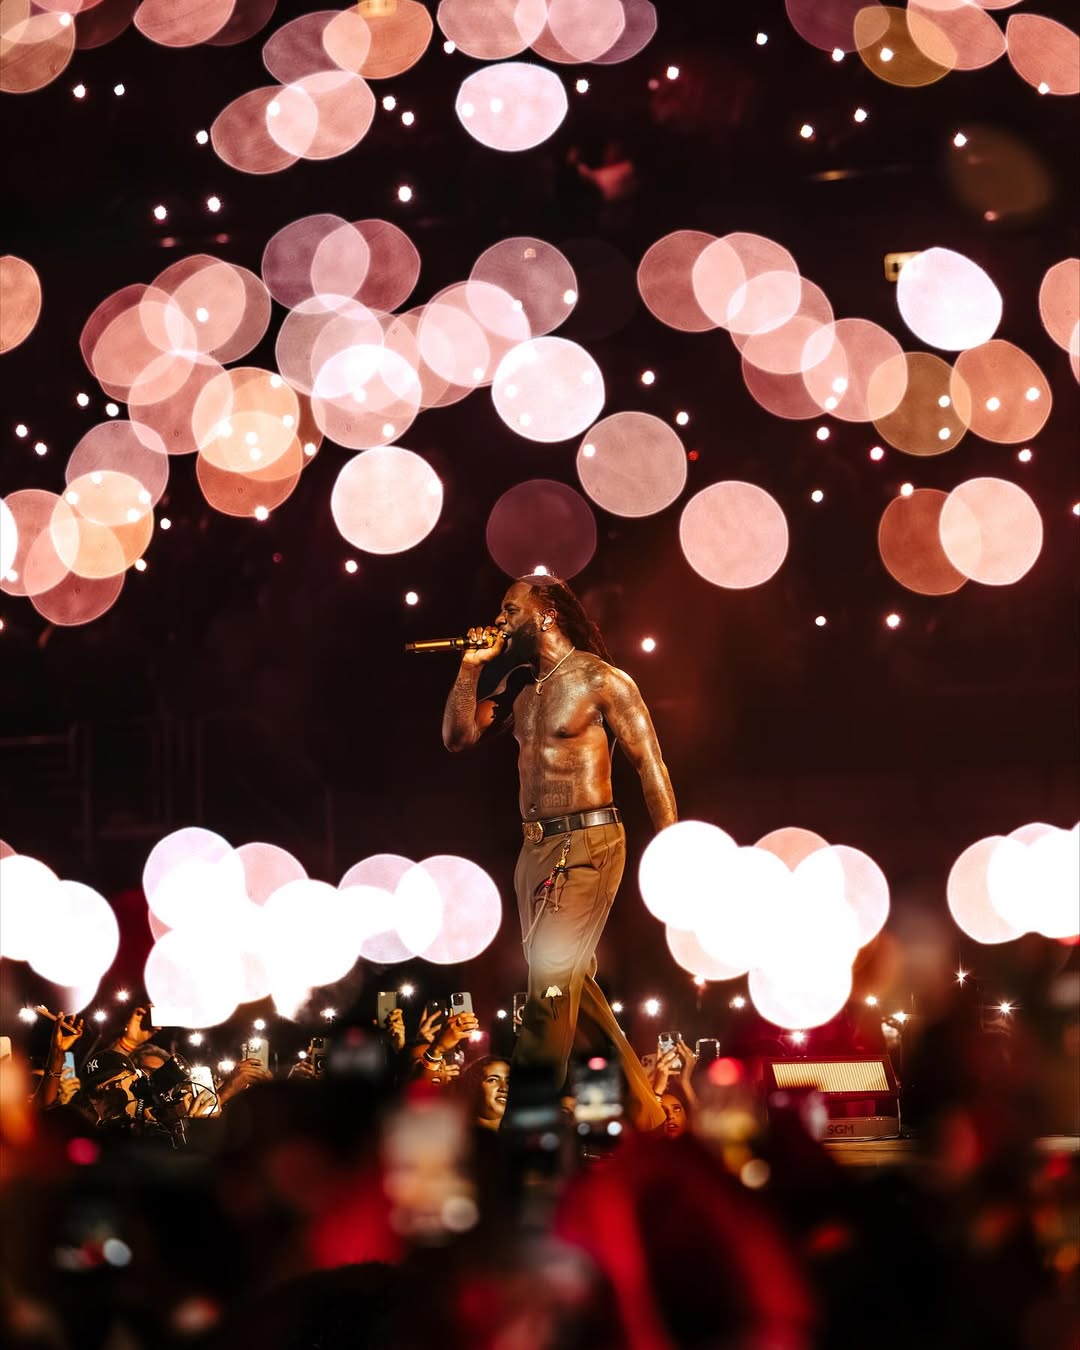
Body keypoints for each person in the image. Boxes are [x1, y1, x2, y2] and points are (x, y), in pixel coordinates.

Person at [442, 572, 677, 1130]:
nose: (499, 619)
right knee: (568, 979)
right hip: (536, 851)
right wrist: (472, 666)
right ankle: (647, 1113)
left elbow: (650, 764)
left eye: (509, 609)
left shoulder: (602, 679)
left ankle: (526, 1124)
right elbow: (457, 737)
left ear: (544, 612)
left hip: (589, 841)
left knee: (547, 982)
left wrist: (675, 851)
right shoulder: (521, 687)